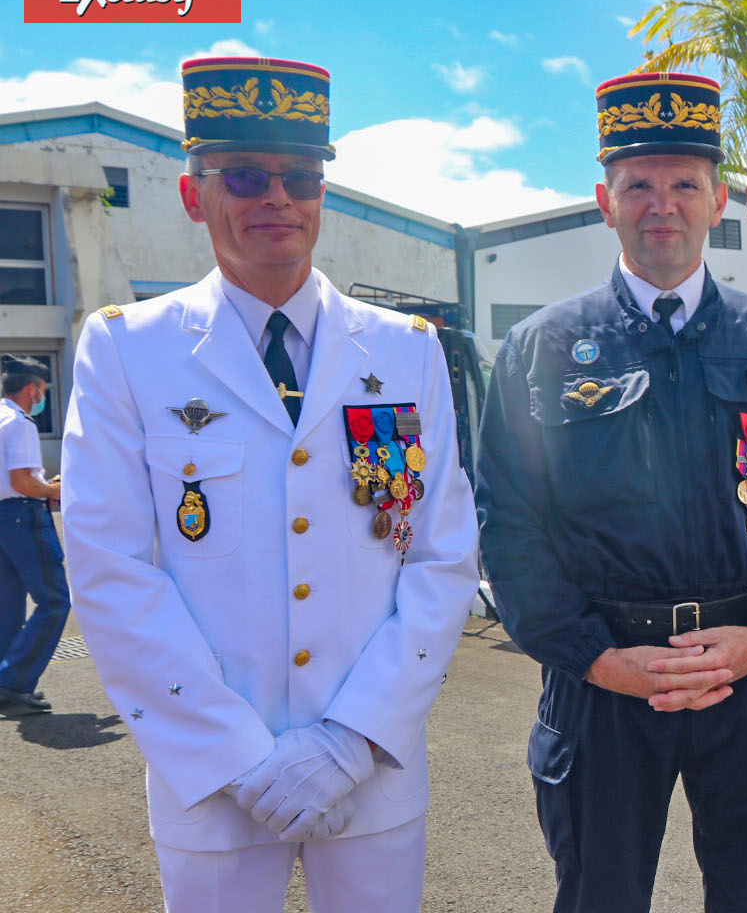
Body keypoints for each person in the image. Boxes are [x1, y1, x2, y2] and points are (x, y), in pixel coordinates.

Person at [60, 56, 480, 913]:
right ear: (193, 194)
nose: (275, 199)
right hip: (211, 782)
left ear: (322, 194)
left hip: (371, 774)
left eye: (300, 177)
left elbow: (441, 555)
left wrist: (351, 738)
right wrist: (231, 753)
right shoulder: (129, 349)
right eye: (245, 176)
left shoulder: (406, 349)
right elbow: (110, 566)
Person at [475, 70, 747, 913]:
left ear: (718, 201)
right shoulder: (542, 348)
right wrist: (597, 659)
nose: (663, 205)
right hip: (604, 680)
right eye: (637, 185)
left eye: (685, 183)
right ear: (604, 201)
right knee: (599, 896)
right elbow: (509, 522)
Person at [0, 355, 69, 713]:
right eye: (42, 389)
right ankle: (13, 682)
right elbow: (22, 482)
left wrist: (41, 486)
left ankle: (5, 680)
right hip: (21, 517)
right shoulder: (20, 424)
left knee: (7, 607)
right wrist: (54, 490)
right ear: (32, 389)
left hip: (2, 518)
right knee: (55, 602)